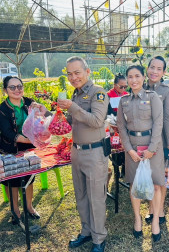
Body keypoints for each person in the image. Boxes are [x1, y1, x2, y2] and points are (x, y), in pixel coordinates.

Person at [58, 56, 109, 252]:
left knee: (96, 197)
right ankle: (86, 231)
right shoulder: (76, 94)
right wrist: (49, 114)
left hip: (94, 152)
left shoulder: (98, 93)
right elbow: (72, 121)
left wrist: (72, 106)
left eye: (77, 72)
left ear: (87, 72)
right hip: (77, 152)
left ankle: (99, 238)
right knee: (81, 195)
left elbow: (97, 121)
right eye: (69, 73)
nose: (73, 77)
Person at [116, 65, 164, 242]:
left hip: (153, 146)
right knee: (134, 185)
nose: (134, 80)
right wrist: (129, 150)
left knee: (156, 185)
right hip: (133, 148)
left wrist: (152, 149)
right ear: (127, 80)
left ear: (144, 77)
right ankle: (137, 219)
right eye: (130, 77)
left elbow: (159, 123)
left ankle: (156, 221)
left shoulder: (153, 97)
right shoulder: (124, 101)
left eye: (137, 76)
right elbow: (121, 126)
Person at [0, 76, 41, 222]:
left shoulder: (28, 102)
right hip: (9, 148)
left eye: (19, 86)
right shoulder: (1, 109)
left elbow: (42, 118)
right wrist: (28, 139)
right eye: (12, 87)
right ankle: (15, 210)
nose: (17, 90)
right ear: (5, 90)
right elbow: (8, 132)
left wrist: (39, 109)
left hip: (28, 147)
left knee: (29, 176)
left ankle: (29, 207)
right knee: (13, 180)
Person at [144, 56, 169, 226]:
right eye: (152, 67)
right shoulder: (139, 86)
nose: (154, 71)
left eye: (159, 69)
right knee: (148, 176)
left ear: (164, 72)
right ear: (147, 68)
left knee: (159, 177)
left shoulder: (166, 90)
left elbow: (168, 118)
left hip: (161, 139)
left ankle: (160, 210)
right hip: (142, 139)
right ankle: (151, 209)